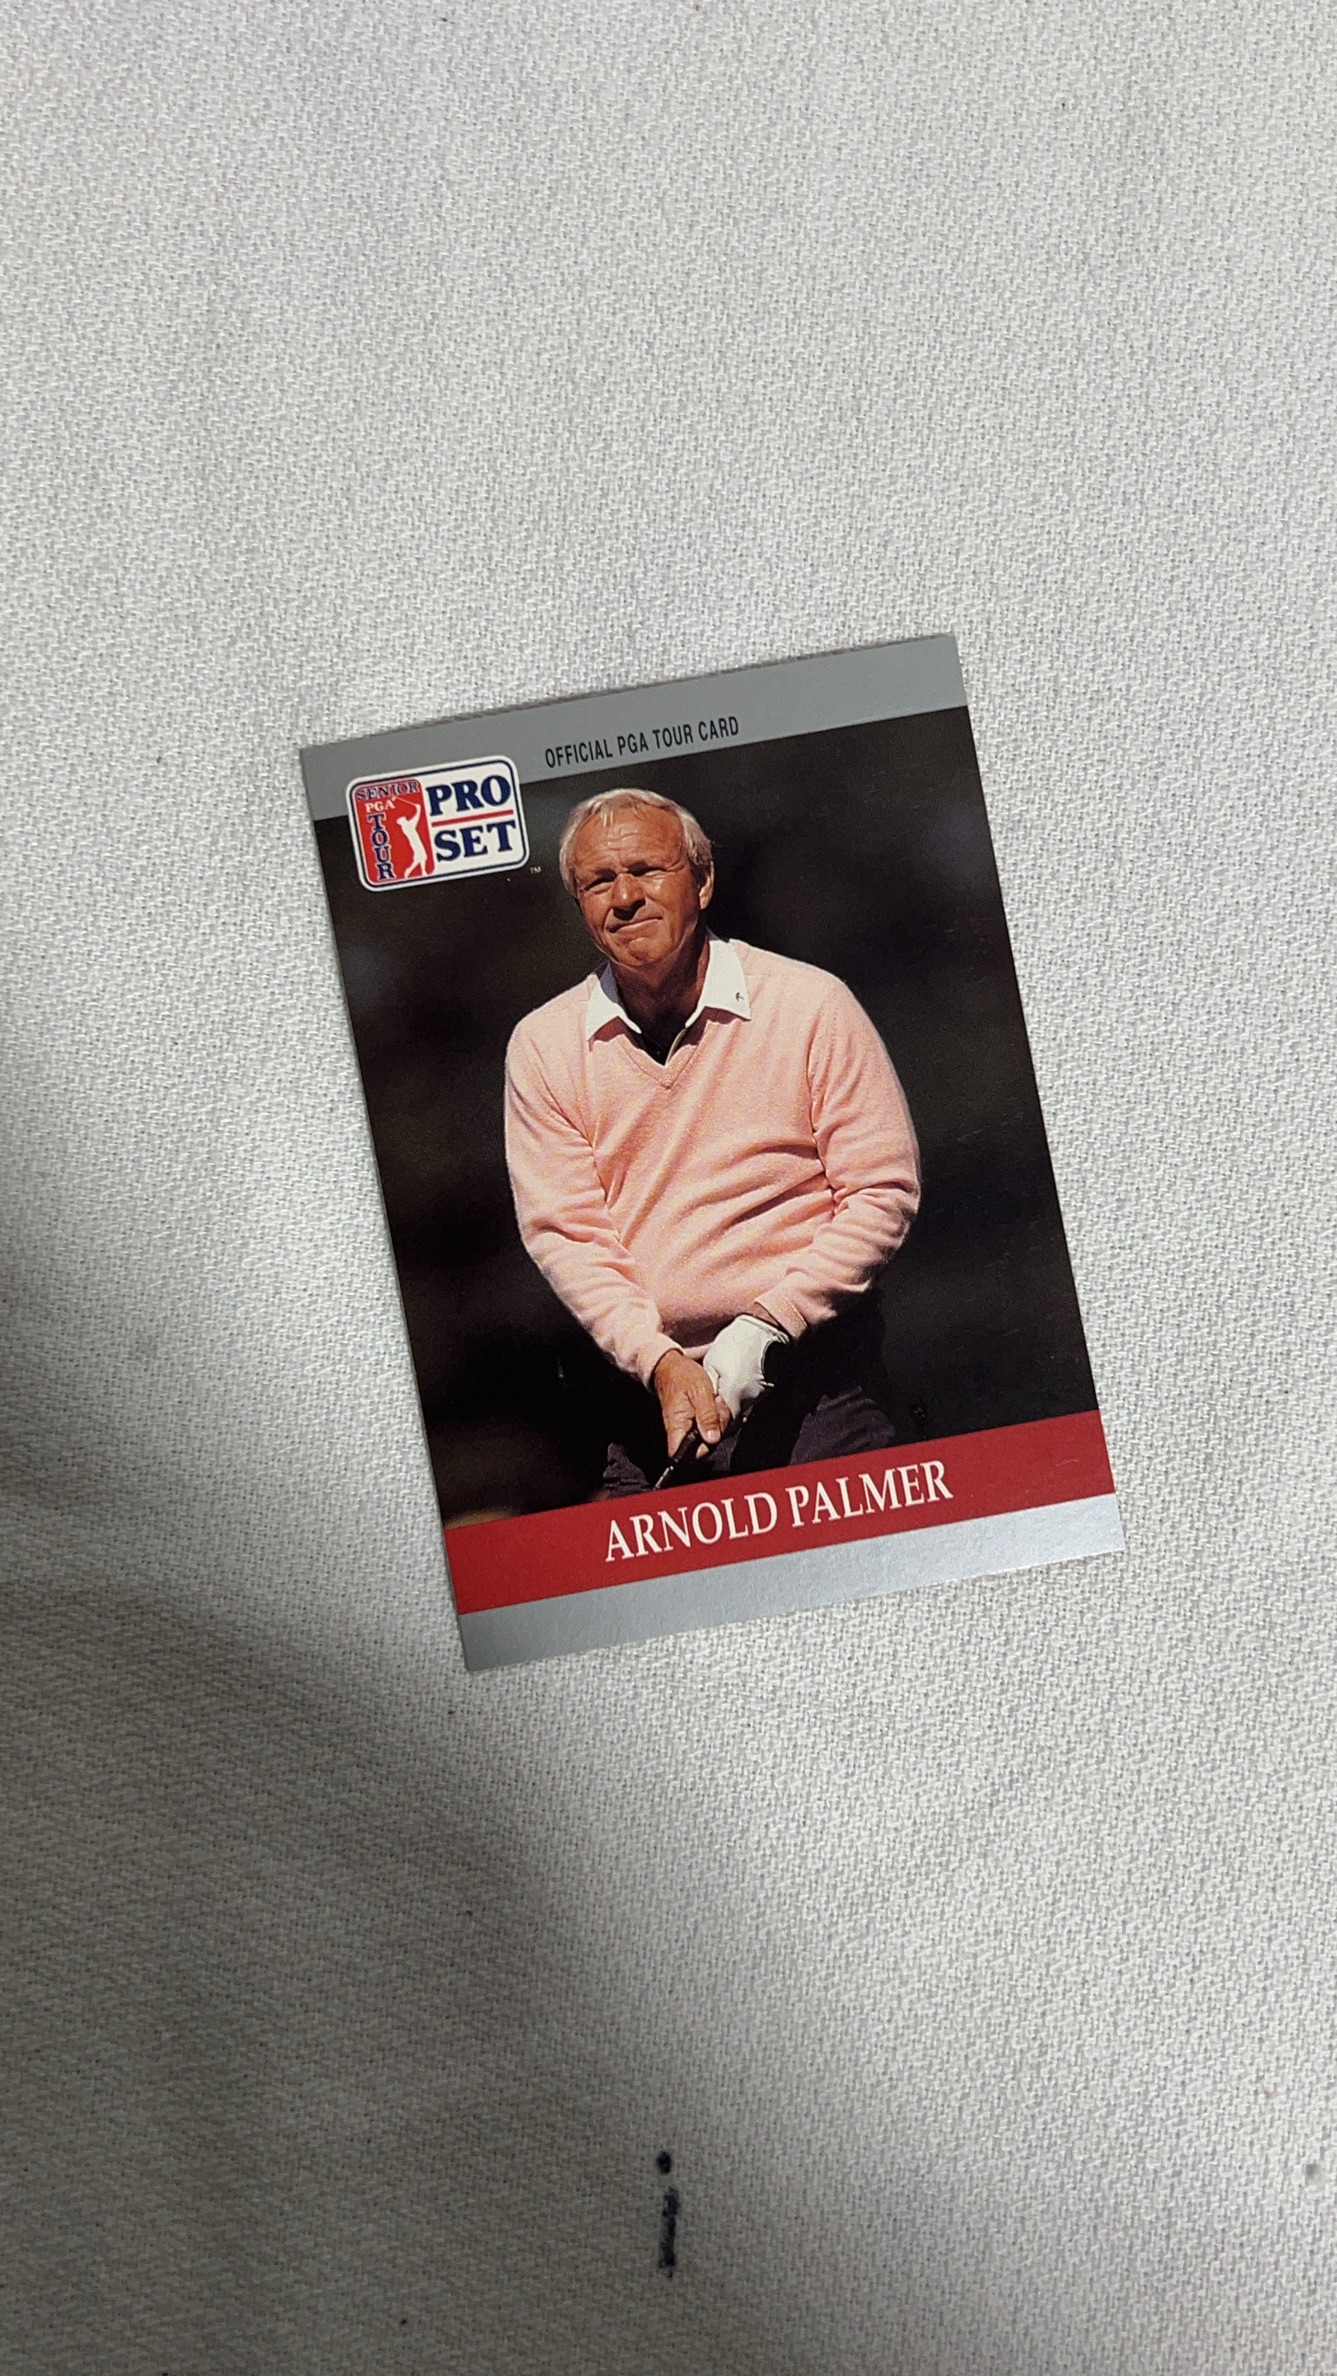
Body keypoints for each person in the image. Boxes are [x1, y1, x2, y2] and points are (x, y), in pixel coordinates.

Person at [503, 788, 921, 1492]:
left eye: (647, 870)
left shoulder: (810, 1004)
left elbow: (882, 1193)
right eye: (599, 881)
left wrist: (767, 1325)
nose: (625, 897)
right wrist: (659, 1361)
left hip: (820, 1393)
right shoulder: (544, 1047)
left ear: (701, 882)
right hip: (650, 1401)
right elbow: (568, 1237)